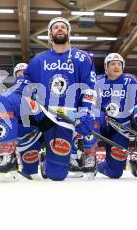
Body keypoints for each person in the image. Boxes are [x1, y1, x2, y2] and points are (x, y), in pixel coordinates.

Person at [22, 17, 97, 181]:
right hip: (41, 113)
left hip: (65, 118)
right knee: (10, 103)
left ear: (69, 32)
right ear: (50, 34)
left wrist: (85, 111)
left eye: (63, 27)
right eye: (55, 27)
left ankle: (47, 159)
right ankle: (13, 156)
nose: (60, 29)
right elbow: (25, 84)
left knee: (57, 175)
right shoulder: (38, 60)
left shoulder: (83, 58)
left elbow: (89, 89)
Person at [95, 53, 137, 179]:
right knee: (94, 116)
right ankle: (86, 156)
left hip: (120, 127)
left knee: (115, 173)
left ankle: (98, 165)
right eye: (112, 64)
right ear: (106, 67)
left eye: (119, 64)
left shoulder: (131, 80)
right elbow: (89, 103)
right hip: (102, 123)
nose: (116, 66)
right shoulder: (97, 81)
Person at [0, 62, 44, 181]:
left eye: (24, 72)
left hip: (35, 130)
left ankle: (49, 160)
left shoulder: (39, 85)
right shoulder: (10, 93)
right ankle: (8, 155)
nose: (22, 75)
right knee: (31, 172)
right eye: (19, 73)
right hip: (21, 133)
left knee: (35, 172)